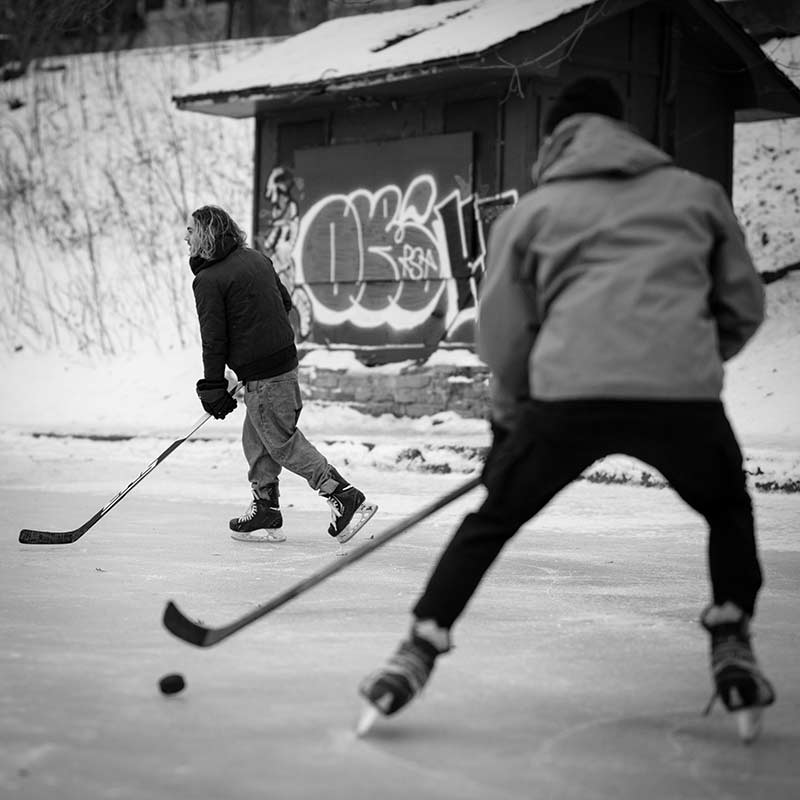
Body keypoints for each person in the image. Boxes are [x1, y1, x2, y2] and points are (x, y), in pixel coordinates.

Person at [359, 77, 775, 740]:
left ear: (556, 137)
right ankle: (731, 632)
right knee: (727, 507)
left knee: (493, 518)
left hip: (566, 400)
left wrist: (508, 422)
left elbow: (502, 337)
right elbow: (745, 306)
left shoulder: (533, 212)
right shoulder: (697, 195)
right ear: (625, 130)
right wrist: (685, 357)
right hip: (681, 401)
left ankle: (420, 645)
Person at [186, 205, 375, 545]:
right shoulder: (257, 259)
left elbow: (214, 339)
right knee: (256, 439)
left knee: (281, 442)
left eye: (190, 230)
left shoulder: (209, 280)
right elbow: (283, 303)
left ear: (205, 235)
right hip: (282, 365)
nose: (185, 237)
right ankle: (265, 508)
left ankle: (344, 495)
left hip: (266, 377)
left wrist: (213, 385)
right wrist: (254, 349)